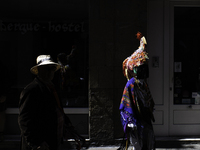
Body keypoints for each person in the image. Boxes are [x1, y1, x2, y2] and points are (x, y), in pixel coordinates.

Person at [18, 55, 64, 150]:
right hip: (40, 145)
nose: (50, 72)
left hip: (52, 142)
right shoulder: (31, 90)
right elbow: (24, 120)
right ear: (39, 71)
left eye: (52, 68)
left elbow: (58, 110)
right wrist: (36, 143)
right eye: (46, 69)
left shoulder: (51, 88)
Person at [118, 32, 155, 150]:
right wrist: (129, 120)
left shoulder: (144, 84)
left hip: (145, 118)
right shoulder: (131, 84)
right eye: (142, 68)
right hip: (136, 120)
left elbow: (148, 100)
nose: (145, 70)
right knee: (137, 145)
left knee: (148, 142)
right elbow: (125, 103)